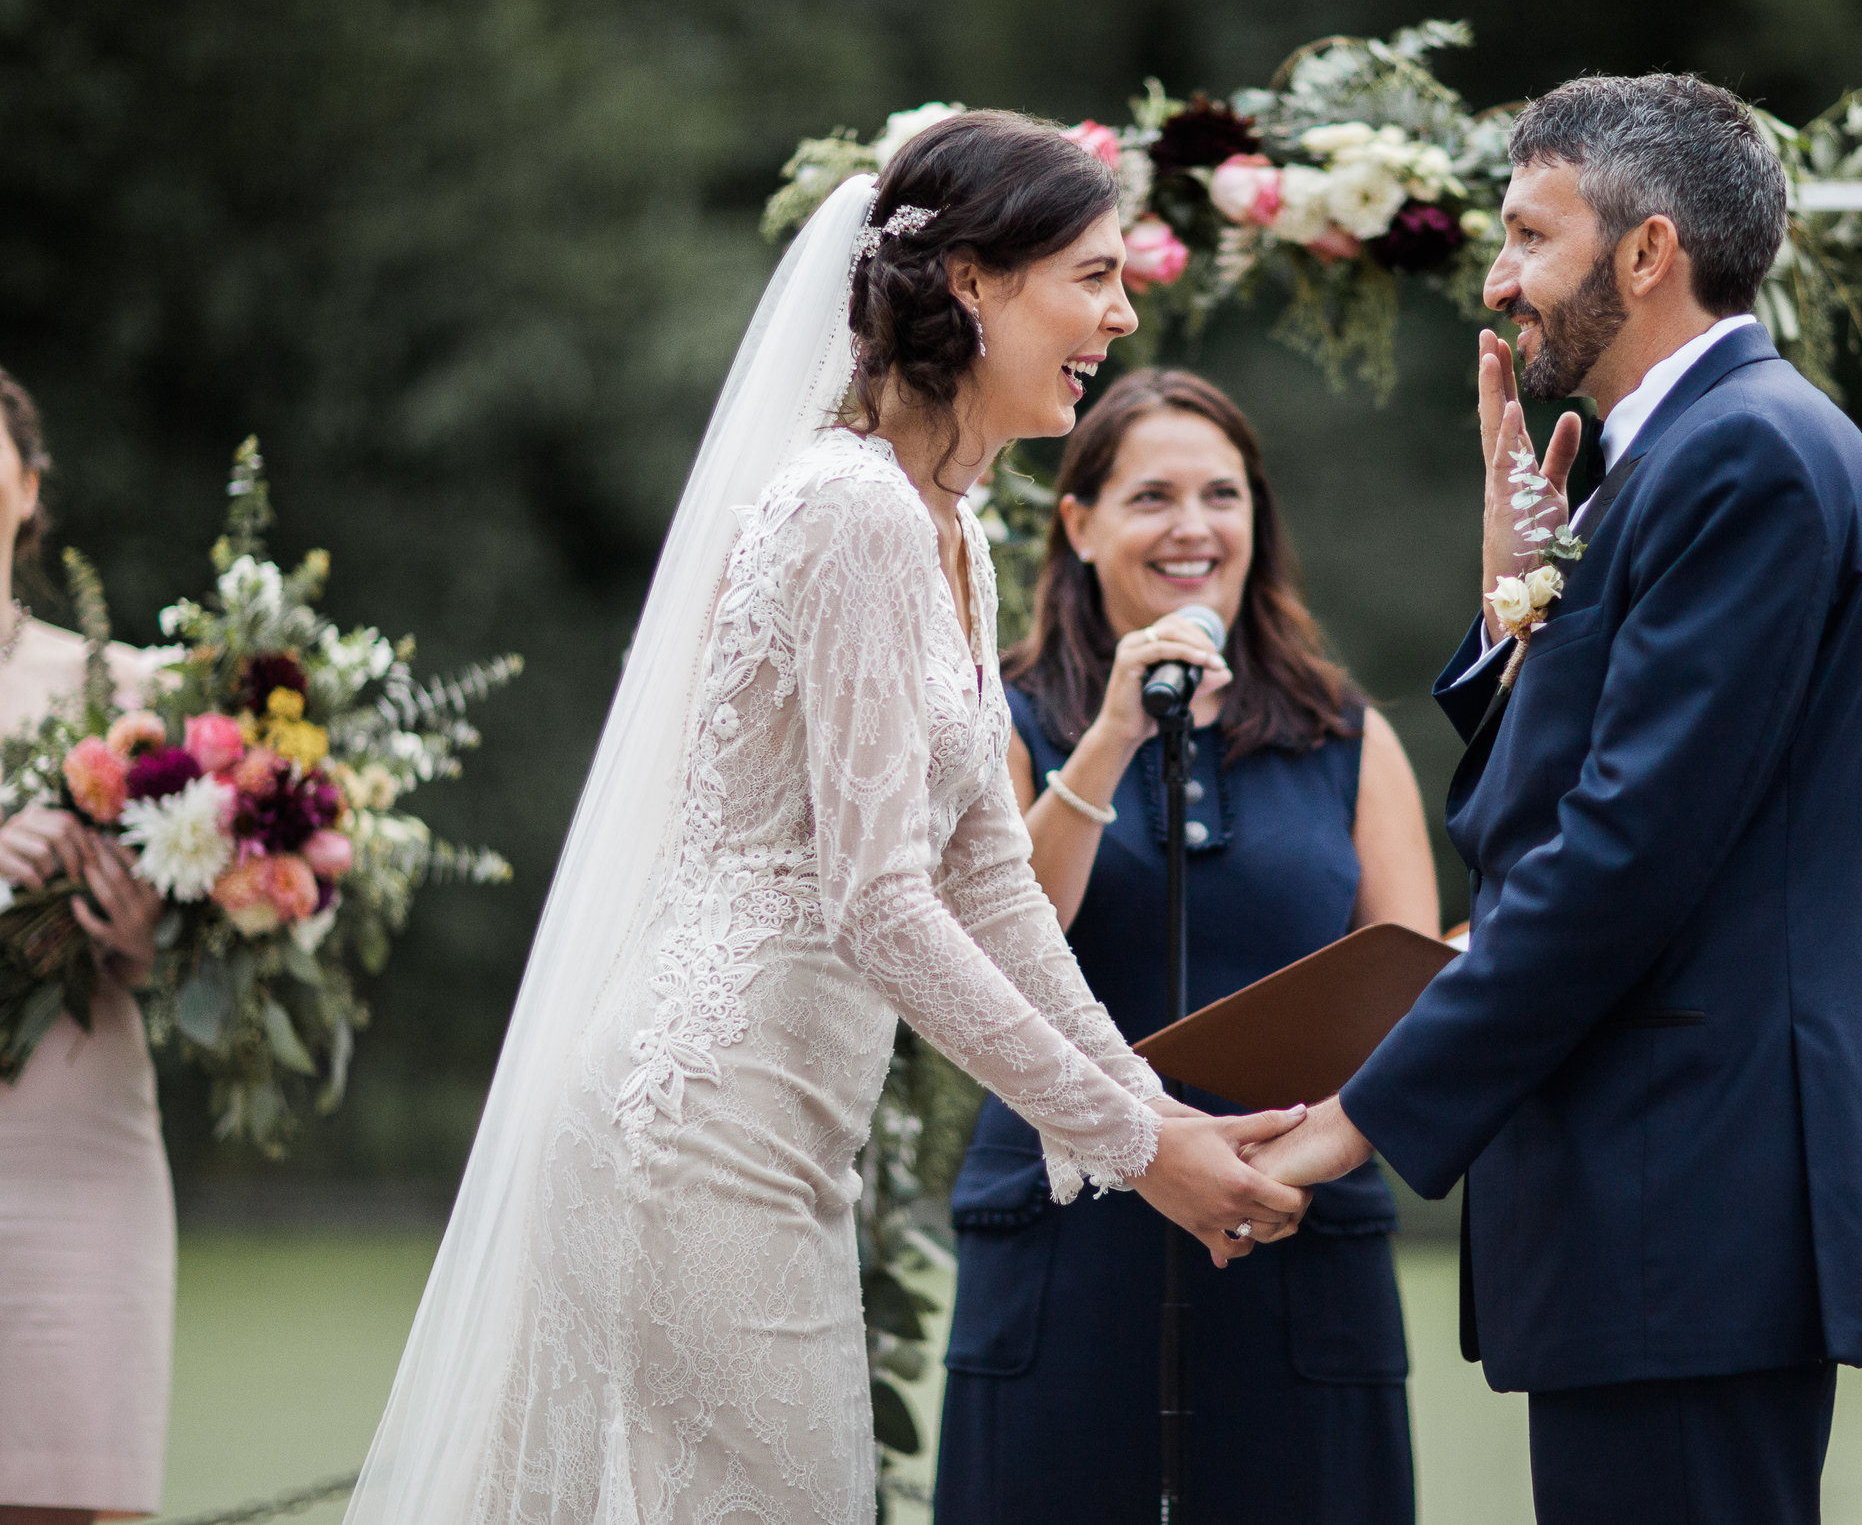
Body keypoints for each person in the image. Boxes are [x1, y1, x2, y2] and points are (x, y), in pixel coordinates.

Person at [341, 113, 1312, 1525]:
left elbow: (984, 870)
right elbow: (880, 899)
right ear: (972, 280)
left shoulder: (953, 529)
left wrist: (1151, 1111)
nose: (1121, 310)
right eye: (1093, 276)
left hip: (788, 1134)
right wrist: (1134, 1141)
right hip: (700, 1123)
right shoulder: (846, 511)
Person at [1254, 72, 1862, 1523]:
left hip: (1688, 1187)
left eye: (1525, 236)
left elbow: (1618, 854)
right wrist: (1512, 606)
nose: (1496, 282)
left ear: (1646, 252)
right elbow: (1564, 797)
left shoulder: (1747, 456)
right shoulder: (1663, 462)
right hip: (1663, 1196)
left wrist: (1359, 1113)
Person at [934, 368, 1438, 1524]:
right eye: (1152, 495)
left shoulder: (1344, 732)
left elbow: (1407, 988)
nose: (1193, 526)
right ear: (1079, 522)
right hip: (1068, 1235)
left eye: (1223, 493)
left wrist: (1294, 1159)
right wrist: (1110, 737)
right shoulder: (998, 716)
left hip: (1293, 1230)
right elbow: (998, 944)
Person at [0, 367, 174, 1525]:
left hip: (78, 1148)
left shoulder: (125, 691)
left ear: (28, 484)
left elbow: (210, 937)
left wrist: (146, 931)